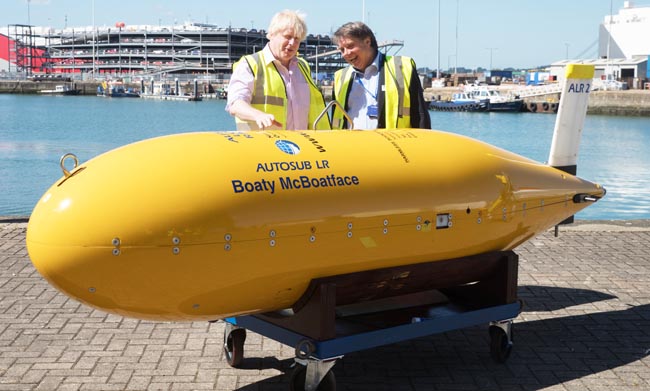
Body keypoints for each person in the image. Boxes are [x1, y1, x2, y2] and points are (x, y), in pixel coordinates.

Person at [226, 10, 329, 130]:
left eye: (297, 39)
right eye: (288, 37)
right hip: (263, 145)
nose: (292, 43)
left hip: (302, 145)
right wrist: (258, 115)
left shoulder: (303, 67)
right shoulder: (250, 65)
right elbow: (235, 104)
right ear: (272, 34)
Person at [331, 21, 431, 130]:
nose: (345, 53)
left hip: (392, 145)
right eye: (341, 50)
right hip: (351, 145)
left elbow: (420, 116)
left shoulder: (402, 67)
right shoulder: (340, 77)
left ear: (367, 41)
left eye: (350, 46)